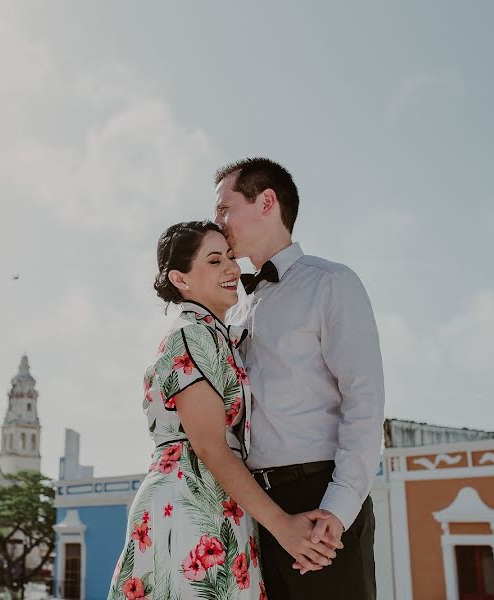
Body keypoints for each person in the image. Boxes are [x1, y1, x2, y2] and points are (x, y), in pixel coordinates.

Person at [107, 220, 340, 600]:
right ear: (181, 279)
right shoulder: (190, 335)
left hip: (219, 501)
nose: (232, 268)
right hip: (190, 502)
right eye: (214, 261)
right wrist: (282, 525)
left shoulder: (216, 335)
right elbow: (211, 446)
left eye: (230, 257)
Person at [214, 158, 385, 599]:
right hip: (258, 511)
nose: (216, 222)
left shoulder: (331, 283)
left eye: (224, 208)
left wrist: (337, 511)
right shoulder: (234, 309)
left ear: (266, 201)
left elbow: (364, 400)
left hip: (321, 502)